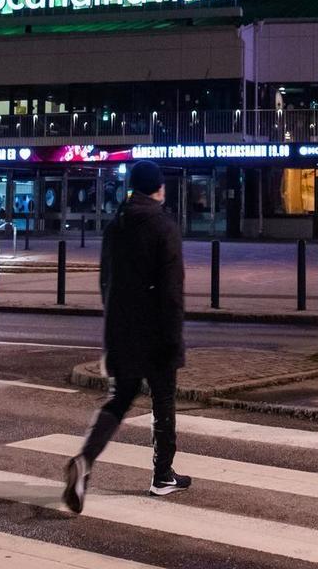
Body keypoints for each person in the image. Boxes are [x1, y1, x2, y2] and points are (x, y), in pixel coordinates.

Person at [63, 160, 188, 513]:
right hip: (156, 331)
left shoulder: (116, 226)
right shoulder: (164, 226)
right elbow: (172, 290)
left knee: (119, 400)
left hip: (121, 329)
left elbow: (106, 281)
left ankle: (85, 461)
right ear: (159, 189)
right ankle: (162, 475)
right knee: (163, 401)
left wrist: (116, 320)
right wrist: (174, 337)